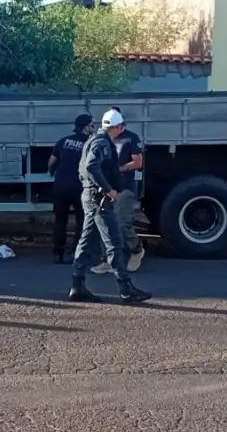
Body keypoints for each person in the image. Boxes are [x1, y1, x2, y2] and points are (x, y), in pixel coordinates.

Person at [68, 109, 152, 305]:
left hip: (91, 197)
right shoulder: (101, 142)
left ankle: (77, 286)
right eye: (120, 127)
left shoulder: (95, 139)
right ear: (115, 127)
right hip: (99, 199)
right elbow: (91, 166)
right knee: (114, 242)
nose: (121, 130)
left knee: (85, 242)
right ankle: (125, 289)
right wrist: (107, 189)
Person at [91, 107, 145, 274]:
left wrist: (118, 170)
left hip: (124, 188)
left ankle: (136, 251)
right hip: (107, 187)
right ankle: (108, 260)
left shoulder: (131, 138)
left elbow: (138, 162)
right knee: (104, 224)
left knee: (122, 223)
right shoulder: (104, 139)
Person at [48, 112, 94, 264]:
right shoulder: (91, 144)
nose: (93, 128)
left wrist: (52, 173)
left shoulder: (63, 141)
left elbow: (52, 162)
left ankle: (57, 253)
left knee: (60, 220)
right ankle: (76, 252)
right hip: (80, 188)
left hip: (61, 186)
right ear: (84, 127)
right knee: (82, 221)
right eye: (91, 125)